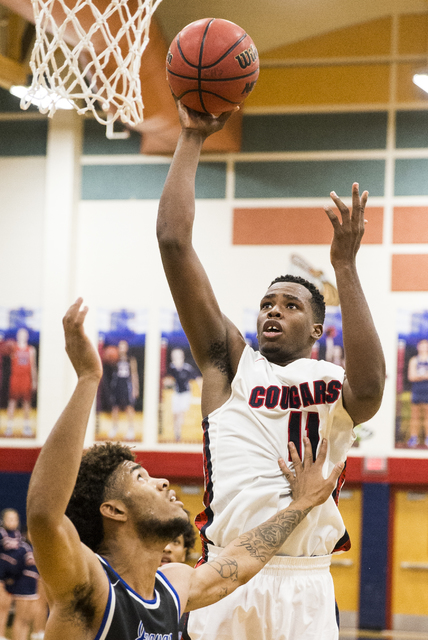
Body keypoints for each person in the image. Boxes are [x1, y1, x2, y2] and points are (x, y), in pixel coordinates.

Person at [156, 102, 386, 640]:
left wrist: (345, 267)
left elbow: (372, 387)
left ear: (315, 330)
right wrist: (191, 137)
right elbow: (173, 241)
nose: (273, 310)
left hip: (305, 583)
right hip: (226, 574)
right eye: (266, 303)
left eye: (291, 304)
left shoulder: (332, 385)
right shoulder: (229, 364)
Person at [26, 299, 343, 640]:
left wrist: (302, 504)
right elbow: (44, 515)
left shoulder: (173, 588)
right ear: (113, 509)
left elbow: (243, 558)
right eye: (141, 478)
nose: (161, 481)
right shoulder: (88, 584)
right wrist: (89, 379)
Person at [0, 509, 41, 640]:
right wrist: (7, 579)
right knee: (17, 616)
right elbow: (13, 565)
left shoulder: (34, 548)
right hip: (19, 585)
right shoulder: (22, 547)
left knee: (27, 619)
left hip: (32, 587)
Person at [163, 348, 202, 441]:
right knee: (175, 414)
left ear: (182, 357)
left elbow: (198, 378)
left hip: (186, 393)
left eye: (178, 356)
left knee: (181, 413)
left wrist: (201, 389)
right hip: (176, 394)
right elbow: (167, 380)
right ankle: (177, 433)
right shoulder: (171, 368)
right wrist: (168, 383)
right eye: (174, 356)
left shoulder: (187, 368)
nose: (176, 359)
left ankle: (180, 432)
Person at [6, 328, 37, 437]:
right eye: (20, 334)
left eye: (24, 334)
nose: (22, 336)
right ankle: (9, 427)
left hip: (26, 379)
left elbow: (33, 367)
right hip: (15, 378)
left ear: (27, 336)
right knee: (12, 403)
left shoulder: (31, 349)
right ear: (18, 336)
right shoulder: (12, 348)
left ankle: (26, 427)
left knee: (26, 404)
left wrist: (34, 381)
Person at [108, 339, 139, 441]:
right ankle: (114, 427)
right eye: (120, 346)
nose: (121, 348)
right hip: (117, 383)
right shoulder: (114, 358)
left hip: (127, 384)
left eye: (123, 346)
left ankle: (131, 429)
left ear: (126, 348)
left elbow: (134, 374)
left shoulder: (131, 359)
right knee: (115, 407)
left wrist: (135, 388)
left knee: (129, 407)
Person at [407, 338, 428, 447]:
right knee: (415, 416)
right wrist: (423, 376)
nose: (424, 347)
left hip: (427, 391)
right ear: (418, 347)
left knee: (427, 416)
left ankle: (426, 438)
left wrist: (419, 376)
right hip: (417, 391)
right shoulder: (414, 360)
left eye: (426, 345)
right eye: (422, 345)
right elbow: (411, 376)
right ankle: (413, 438)